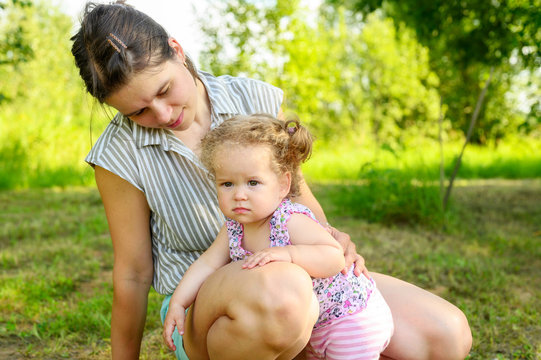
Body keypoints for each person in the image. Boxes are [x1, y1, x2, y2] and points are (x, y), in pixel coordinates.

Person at [70, 2, 472, 359]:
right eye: (138, 111)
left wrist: (330, 240)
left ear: (177, 49)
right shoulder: (118, 154)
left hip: (301, 280)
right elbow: (133, 273)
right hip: (209, 303)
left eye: (164, 90)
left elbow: (297, 196)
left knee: (445, 335)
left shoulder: (252, 98)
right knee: (284, 298)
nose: (161, 114)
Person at [163, 114, 394, 359]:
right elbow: (207, 263)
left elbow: (334, 257)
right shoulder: (233, 226)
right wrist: (178, 302)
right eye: (227, 184)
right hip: (313, 326)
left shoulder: (289, 219)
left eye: (253, 183)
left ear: (283, 185)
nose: (239, 194)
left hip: (349, 320)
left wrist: (289, 253)